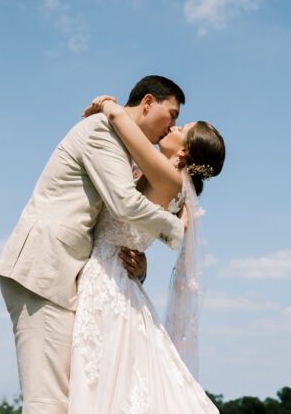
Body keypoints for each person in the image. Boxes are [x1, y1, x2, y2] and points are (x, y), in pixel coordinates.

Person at [0, 76, 188, 414]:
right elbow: (124, 203)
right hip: (43, 268)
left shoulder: (123, 145)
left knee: (69, 399)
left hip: (67, 272)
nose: (172, 125)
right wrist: (178, 231)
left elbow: (114, 227)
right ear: (147, 102)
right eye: (170, 114)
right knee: (47, 399)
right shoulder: (102, 131)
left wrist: (139, 265)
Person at [69, 96, 225, 413]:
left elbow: (130, 132)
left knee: (100, 379)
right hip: (119, 279)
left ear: (184, 152)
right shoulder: (173, 187)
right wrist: (141, 265)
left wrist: (111, 107)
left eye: (182, 127)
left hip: (107, 279)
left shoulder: (166, 178)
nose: (173, 126)